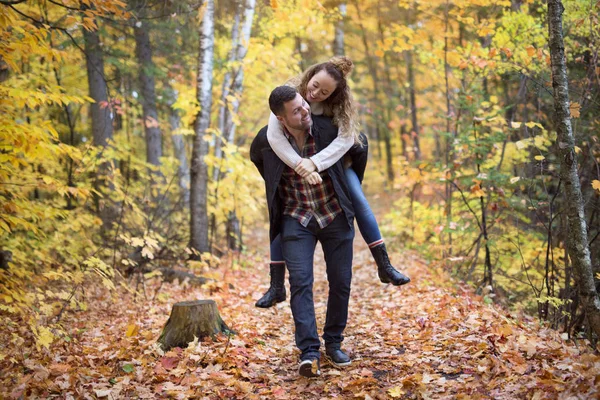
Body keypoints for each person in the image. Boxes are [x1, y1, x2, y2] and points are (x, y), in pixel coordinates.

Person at [255, 56, 410, 309]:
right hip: (297, 159)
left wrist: (315, 162)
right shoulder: (292, 94)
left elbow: (347, 139)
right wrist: (299, 166)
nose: (314, 93)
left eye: (324, 92)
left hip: (337, 162)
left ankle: (384, 265)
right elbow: (274, 136)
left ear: (334, 94)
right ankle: (275, 285)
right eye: (314, 85)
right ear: (311, 74)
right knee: (278, 205)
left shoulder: (340, 106)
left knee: (358, 200)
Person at [250, 85, 365, 377]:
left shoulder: (327, 127)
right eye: (296, 112)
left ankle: (334, 343)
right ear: (280, 118)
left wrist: (351, 186)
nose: (304, 113)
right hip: (296, 218)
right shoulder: (267, 140)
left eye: (303, 105)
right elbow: (259, 161)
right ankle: (309, 351)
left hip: (334, 215)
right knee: (300, 283)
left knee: (341, 282)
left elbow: (358, 145)